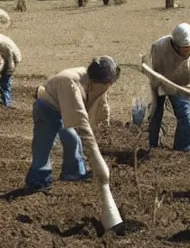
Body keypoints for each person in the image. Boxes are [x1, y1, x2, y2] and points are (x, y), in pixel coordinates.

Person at [25, 56, 120, 191]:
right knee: (44, 143)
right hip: (47, 107)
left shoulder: (98, 83)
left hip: (62, 108)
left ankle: (73, 172)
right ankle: (38, 180)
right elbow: (81, 122)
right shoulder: (71, 83)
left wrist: (105, 125)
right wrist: (96, 158)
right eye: (108, 83)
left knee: (73, 139)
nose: (110, 86)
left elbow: (102, 104)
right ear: (98, 80)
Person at [147, 23, 190, 151]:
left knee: (188, 120)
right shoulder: (159, 47)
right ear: (175, 45)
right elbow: (150, 68)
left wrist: (180, 89)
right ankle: (151, 146)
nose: (188, 51)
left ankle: (182, 149)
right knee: (155, 113)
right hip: (158, 84)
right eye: (185, 48)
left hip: (180, 88)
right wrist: (157, 84)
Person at [0, 33, 22, 107]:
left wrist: (8, 72)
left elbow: (10, 62)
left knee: (5, 83)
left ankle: (6, 105)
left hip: (13, 57)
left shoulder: (3, 44)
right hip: (4, 57)